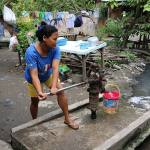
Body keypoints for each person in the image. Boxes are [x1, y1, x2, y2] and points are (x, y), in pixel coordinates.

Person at [24, 22, 79, 130]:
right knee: (35, 101)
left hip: (47, 75)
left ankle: (67, 118)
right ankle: (35, 122)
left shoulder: (55, 49)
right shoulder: (31, 52)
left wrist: (54, 87)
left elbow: (55, 68)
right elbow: (34, 75)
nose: (56, 41)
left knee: (61, 91)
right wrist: (40, 91)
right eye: (54, 39)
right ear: (44, 38)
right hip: (33, 79)